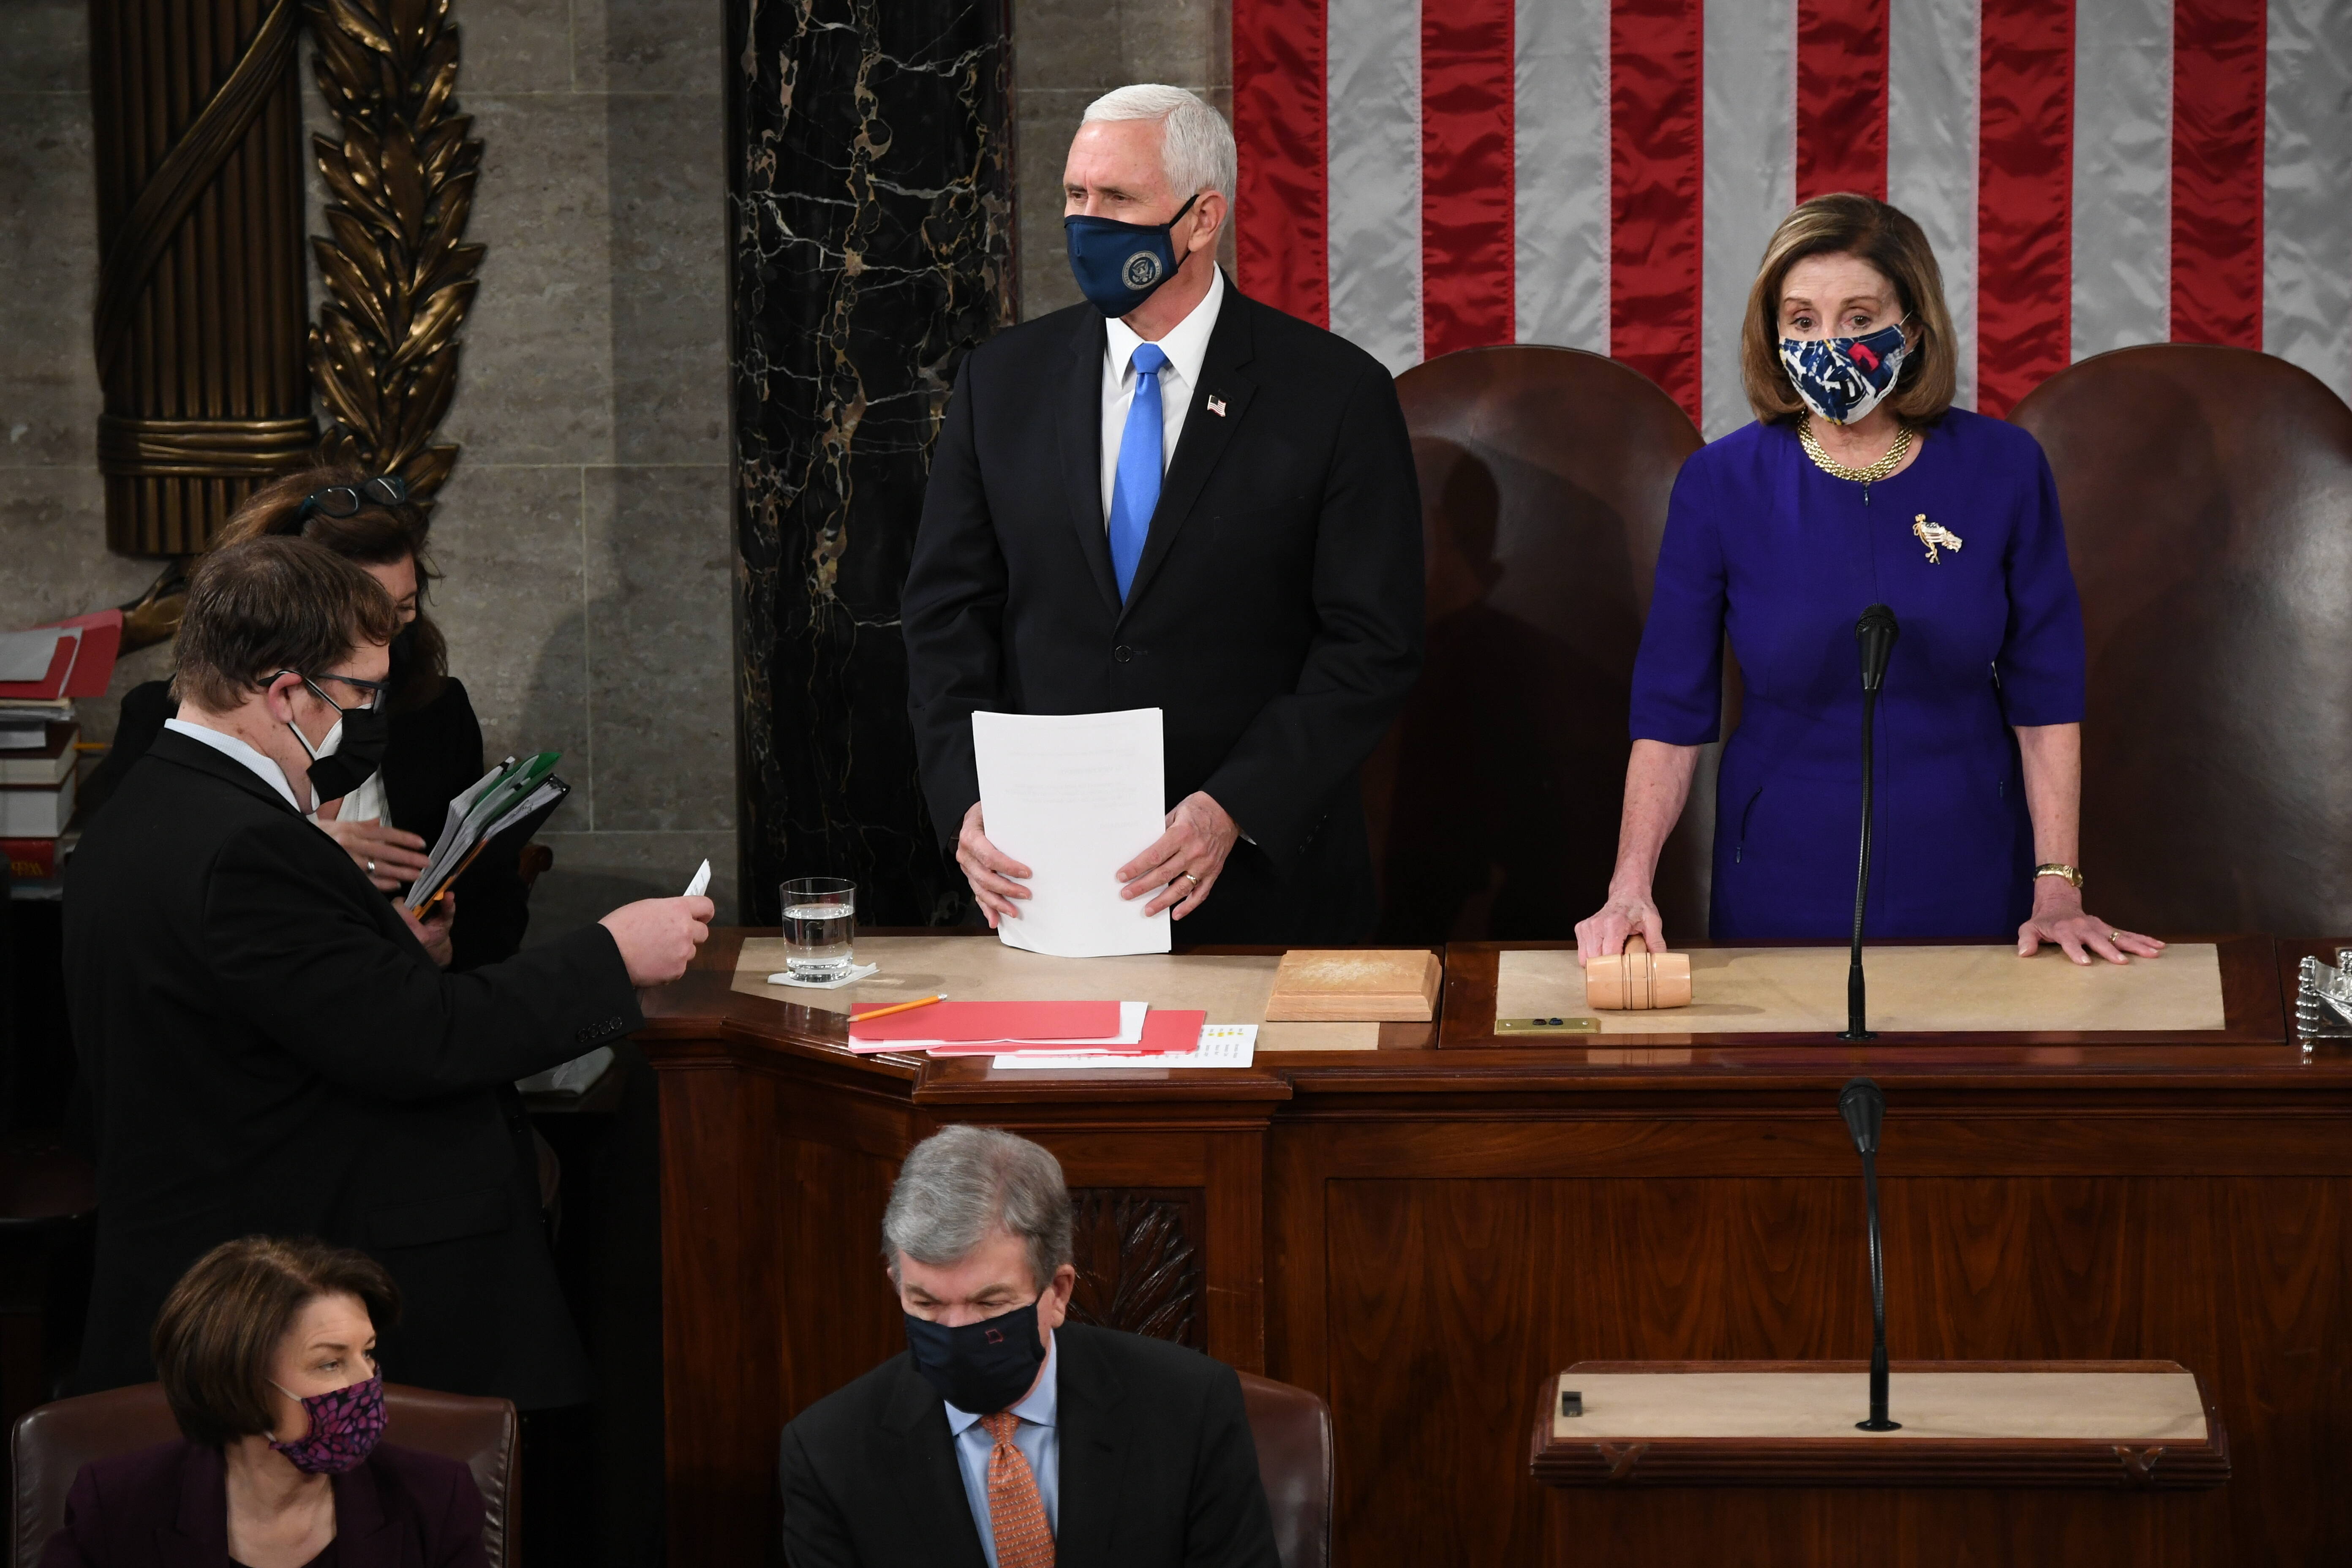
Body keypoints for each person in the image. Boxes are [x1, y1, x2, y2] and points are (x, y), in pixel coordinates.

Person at [62, 536, 712, 1411]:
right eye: (360, 691)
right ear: (285, 689)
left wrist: (381, 950)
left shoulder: (141, 808)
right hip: (290, 1300)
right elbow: (420, 1036)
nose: (372, 715)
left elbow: (288, 1015)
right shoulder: (245, 842)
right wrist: (611, 957)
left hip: (234, 1260)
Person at [1574, 193, 2161, 967]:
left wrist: (2057, 886)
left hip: (1968, 868)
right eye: (1802, 321)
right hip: (1780, 874)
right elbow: (1669, 713)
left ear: (1911, 330)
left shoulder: (2002, 467)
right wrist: (1628, 884)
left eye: (1857, 318)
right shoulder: (1720, 484)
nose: (1828, 343)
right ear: (1772, 332)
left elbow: (2044, 696)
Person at [902, 84, 1424, 945]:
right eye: (1075, 195)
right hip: (1045, 892)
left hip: (1261, 895)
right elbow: (944, 615)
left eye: (1118, 200)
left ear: (1202, 217)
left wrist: (1234, 807)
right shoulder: (1002, 383)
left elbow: (1374, 643)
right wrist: (967, 799)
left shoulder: (1332, 395)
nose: (1086, 222)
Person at [81, 466, 530, 971]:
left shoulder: (436, 714)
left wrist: (443, 950)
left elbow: (495, 903)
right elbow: (129, 903)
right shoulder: (171, 724)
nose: (387, 645)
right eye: (367, 619)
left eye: (402, 614)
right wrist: (304, 851)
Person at [779, 1126, 1279, 1568]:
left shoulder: (1188, 1408)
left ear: (1058, 1292)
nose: (955, 1331)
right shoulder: (830, 1453)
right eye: (927, 1304)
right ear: (897, 1285)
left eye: (990, 1303)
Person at [42, 1236, 488, 1568]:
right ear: (239, 1379)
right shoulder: (116, 1506)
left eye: (368, 1352)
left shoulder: (435, 1499)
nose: (367, 1381)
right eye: (330, 1364)